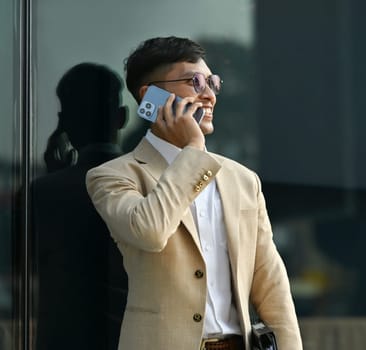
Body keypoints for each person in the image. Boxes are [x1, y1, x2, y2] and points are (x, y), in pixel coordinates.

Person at [85, 36, 303, 350]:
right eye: (196, 81)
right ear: (152, 97)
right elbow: (150, 231)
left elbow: (271, 284)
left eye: (213, 83)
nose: (209, 95)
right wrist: (193, 149)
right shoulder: (112, 175)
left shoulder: (242, 180)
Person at [32, 62, 128, 350]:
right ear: (121, 117)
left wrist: (50, 177)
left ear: (64, 123)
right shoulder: (150, 187)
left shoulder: (43, 193)